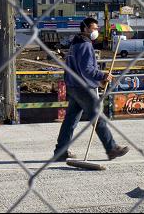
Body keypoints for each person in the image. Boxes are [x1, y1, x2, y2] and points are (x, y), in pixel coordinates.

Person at [53, 18, 129, 161]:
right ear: (85, 29)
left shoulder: (75, 44)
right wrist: (102, 75)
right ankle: (111, 148)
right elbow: (87, 69)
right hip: (83, 87)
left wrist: (98, 79)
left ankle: (60, 151)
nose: (96, 31)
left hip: (73, 86)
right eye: (94, 28)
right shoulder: (85, 45)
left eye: (97, 28)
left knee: (70, 121)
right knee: (97, 117)